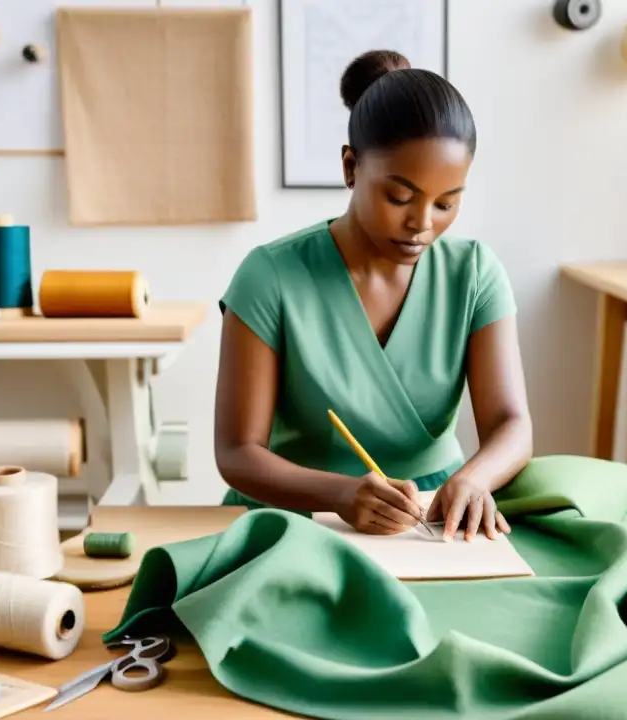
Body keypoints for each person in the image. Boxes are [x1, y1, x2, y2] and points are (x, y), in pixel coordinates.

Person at [213, 49, 532, 542]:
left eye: (447, 202)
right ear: (350, 166)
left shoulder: (474, 273)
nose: (423, 224)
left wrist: (474, 477)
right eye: (400, 197)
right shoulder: (270, 276)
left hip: (433, 518)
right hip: (294, 513)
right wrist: (339, 495)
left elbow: (512, 424)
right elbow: (237, 451)